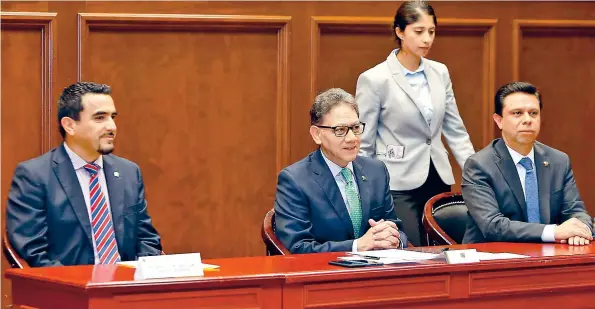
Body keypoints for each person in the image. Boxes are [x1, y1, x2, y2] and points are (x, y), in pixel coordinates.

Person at [356, 0, 474, 246]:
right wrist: (367, 188)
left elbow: (455, 130)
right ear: (399, 32)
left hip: (437, 174)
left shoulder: (440, 72)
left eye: (431, 31)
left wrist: (477, 174)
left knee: (444, 249)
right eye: (418, 31)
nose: (427, 39)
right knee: (410, 250)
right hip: (396, 180)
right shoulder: (375, 79)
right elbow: (364, 141)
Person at [6, 82, 162, 267]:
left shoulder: (129, 172)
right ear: (69, 125)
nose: (111, 126)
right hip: (67, 290)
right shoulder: (34, 176)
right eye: (100, 118)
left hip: (125, 287)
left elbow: (146, 238)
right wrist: (77, 286)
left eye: (112, 117)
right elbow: (33, 252)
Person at [274, 88, 407, 254]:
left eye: (356, 128)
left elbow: (396, 229)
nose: (352, 138)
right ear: (317, 134)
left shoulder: (376, 172)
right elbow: (297, 248)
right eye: (340, 130)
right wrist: (357, 247)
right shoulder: (295, 180)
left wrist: (394, 239)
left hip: (376, 273)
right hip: (325, 275)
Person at [462, 81, 593, 245]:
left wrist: (581, 230)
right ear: (499, 120)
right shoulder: (479, 165)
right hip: (492, 261)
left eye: (533, 113)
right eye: (517, 113)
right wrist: (554, 232)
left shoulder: (558, 161)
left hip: (549, 258)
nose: (527, 120)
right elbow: (492, 225)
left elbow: (575, 211)